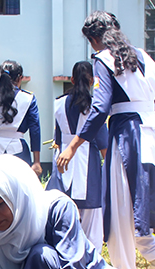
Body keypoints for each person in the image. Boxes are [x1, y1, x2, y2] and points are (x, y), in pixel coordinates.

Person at [57, 11, 155, 269]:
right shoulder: (145, 58)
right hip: (153, 138)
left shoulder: (104, 60)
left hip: (128, 137)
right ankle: (154, 258)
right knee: (141, 204)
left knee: (121, 212)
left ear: (94, 39)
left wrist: (73, 144)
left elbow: (99, 109)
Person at [47, 61, 108, 252]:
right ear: (92, 81)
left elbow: (57, 139)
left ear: (72, 79)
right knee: (92, 223)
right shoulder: (95, 109)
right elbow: (104, 145)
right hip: (88, 165)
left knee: (63, 216)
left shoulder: (58, 103)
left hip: (63, 162)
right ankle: (92, 265)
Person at [0, 60, 42, 176]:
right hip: (19, 151)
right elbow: (35, 130)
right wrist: (37, 161)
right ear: (20, 78)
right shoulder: (28, 98)